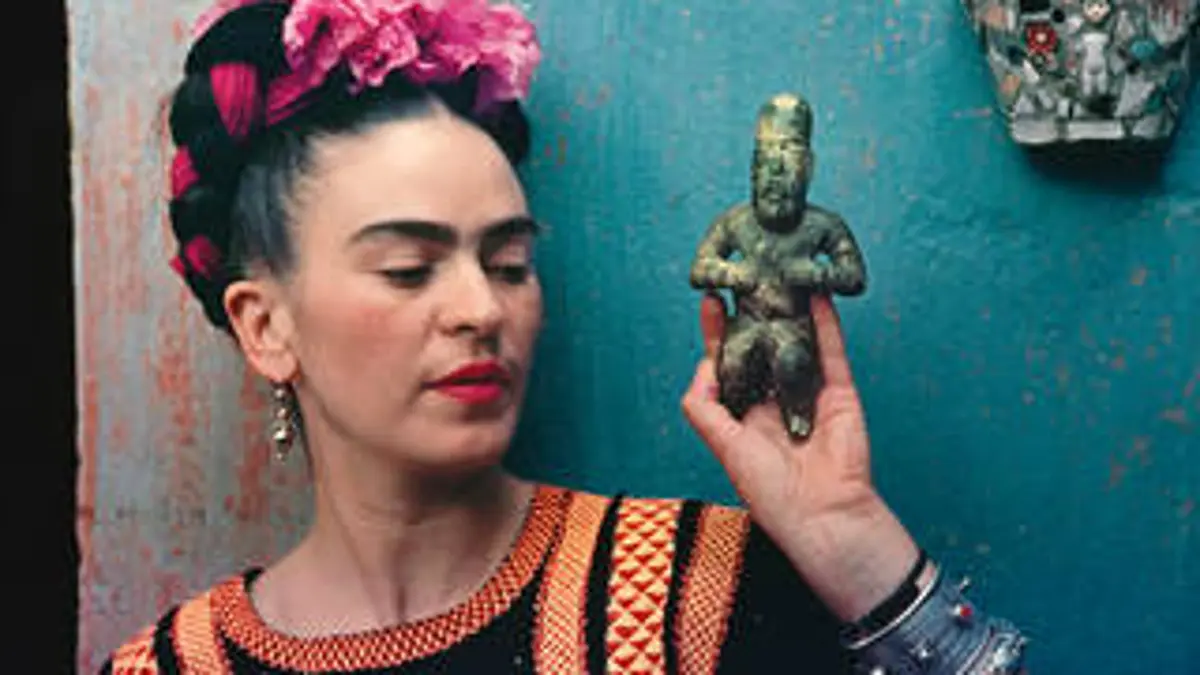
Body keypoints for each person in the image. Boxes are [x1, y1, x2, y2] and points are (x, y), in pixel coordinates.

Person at [101, 0, 1028, 672]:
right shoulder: (168, 665)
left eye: (509, 264)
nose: (481, 308)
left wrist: (850, 542)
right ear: (265, 326)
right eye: (409, 268)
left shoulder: (687, 593)